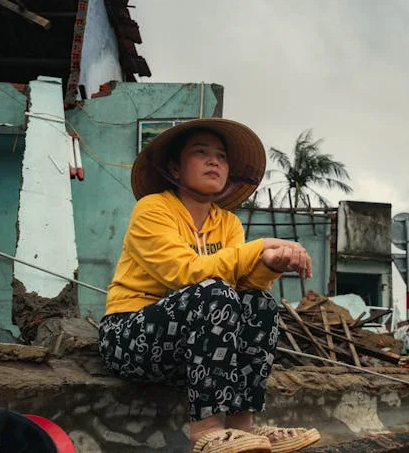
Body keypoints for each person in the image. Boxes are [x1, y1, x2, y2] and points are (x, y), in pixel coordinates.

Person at [98, 118, 321, 453]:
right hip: (131, 337)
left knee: (260, 303)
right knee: (212, 292)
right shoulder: (153, 210)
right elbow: (187, 273)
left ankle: (242, 428)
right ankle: (205, 432)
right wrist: (259, 248)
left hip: (191, 350)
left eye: (221, 156)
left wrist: (267, 266)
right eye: (200, 153)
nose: (214, 160)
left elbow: (241, 284)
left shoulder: (228, 223)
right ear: (175, 166)